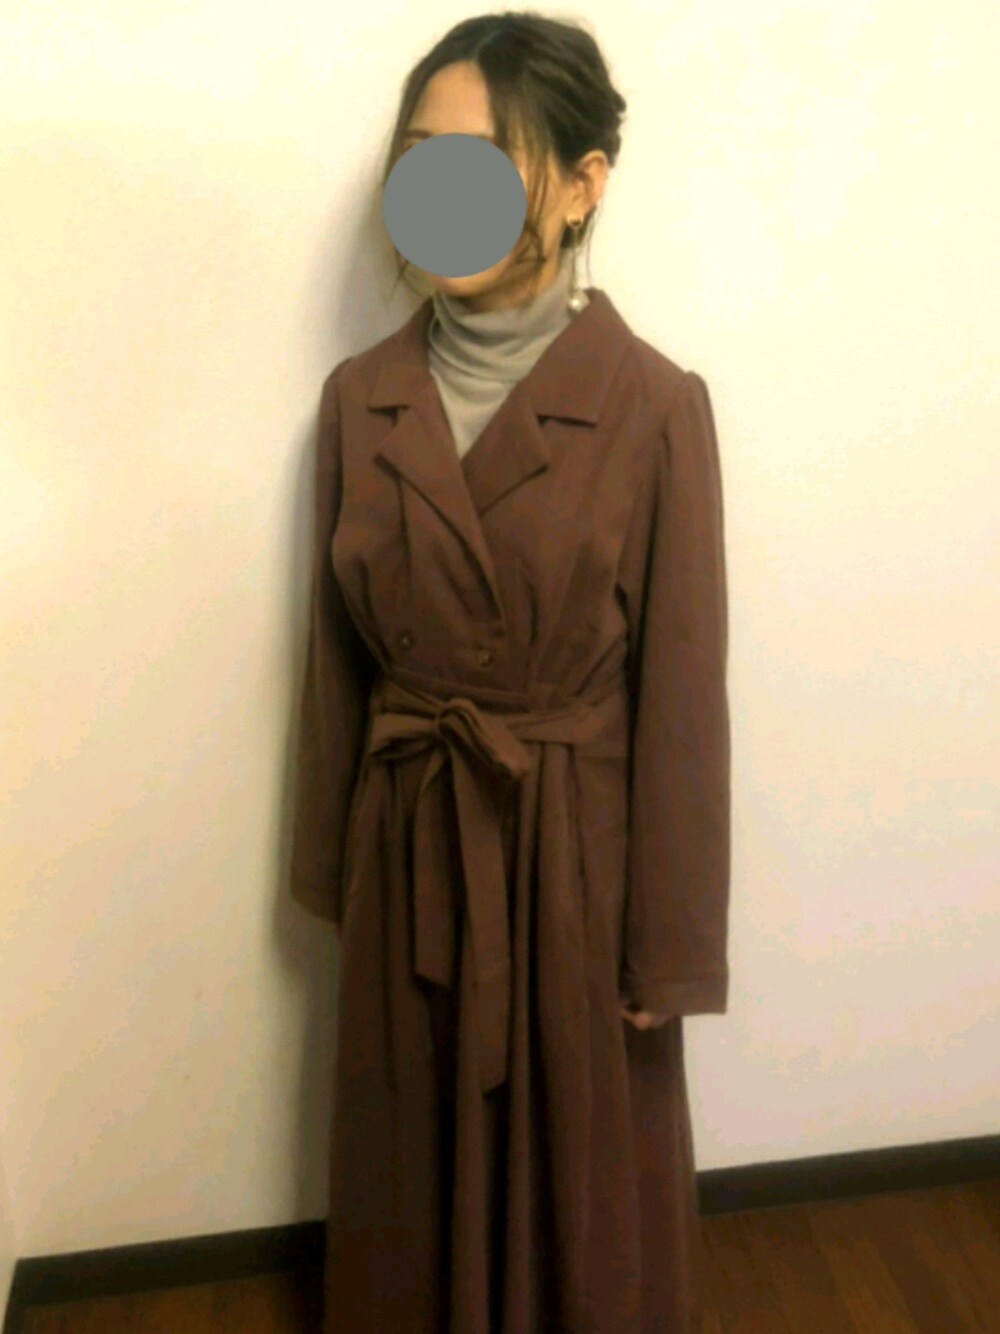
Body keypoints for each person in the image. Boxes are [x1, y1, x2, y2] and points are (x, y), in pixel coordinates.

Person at [289, 11, 731, 1332]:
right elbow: (334, 668)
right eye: (421, 156)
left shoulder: (655, 405)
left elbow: (684, 698)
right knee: (406, 1168)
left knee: (578, 1194)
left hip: (570, 867)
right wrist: (333, 865)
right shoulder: (358, 398)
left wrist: (669, 946)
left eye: (482, 159)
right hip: (409, 848)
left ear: (585, 184)